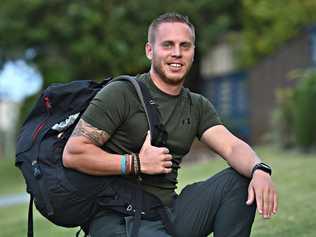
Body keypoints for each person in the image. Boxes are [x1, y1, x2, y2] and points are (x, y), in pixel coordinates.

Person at [63, 12, 278, 237]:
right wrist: (135, 163)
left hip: (166, 214)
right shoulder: (121, 94)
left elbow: (232, 147)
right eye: (168, 45)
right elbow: (74, 153)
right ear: (149, 50)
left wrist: (259, 169)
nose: (177, 53)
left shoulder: (196, 105)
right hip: (118, 218)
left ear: (193, 52)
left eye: (184, 46)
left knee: (239, 180)